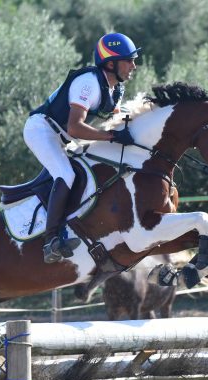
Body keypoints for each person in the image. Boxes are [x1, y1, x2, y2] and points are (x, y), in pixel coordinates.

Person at [25, 32, 141, 264]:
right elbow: (76, 127)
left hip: (63, 137)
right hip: (41, 130)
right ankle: (51, 241)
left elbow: (117, 120)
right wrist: (111, 137)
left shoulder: (116, 89)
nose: (133, 66)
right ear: (111, 63)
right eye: (128, 60)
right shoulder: (88, 83)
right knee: (66, 174)